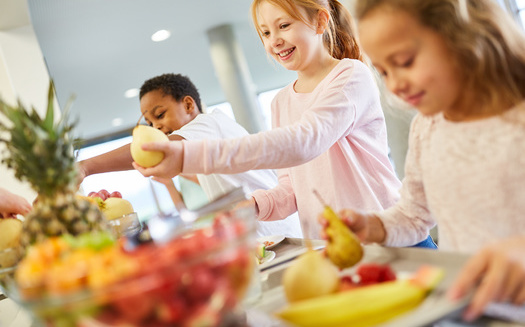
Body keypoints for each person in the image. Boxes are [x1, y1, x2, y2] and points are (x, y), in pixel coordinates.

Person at [132, 0, 437, 248]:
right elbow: (292, 186)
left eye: (284, 26)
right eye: (264, 33)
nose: (274, 41)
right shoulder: (281, 102)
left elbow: (304, 142)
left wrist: (188, 156)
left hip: (390, 238)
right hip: (332, 249)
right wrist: (255, 205)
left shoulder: (349, 75)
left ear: (319, 22)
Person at [328, 0, 525, 321]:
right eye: (384, 71)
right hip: (470, 309)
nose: (394, 85)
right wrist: (373, 226)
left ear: (461, 35)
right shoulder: (427, 127)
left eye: (404, 62)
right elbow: (413, 215)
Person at [78, 73, 302, 238]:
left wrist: (86, 166)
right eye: (150, 123)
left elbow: (157, 149)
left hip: (276, 232)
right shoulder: (205, 138)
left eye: (160, 115)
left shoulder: (207, 123)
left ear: (187, 105)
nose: (157, 127)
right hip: (262, 234)